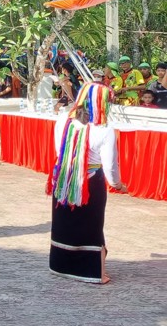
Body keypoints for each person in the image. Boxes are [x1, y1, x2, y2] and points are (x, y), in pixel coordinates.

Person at [47, 83, 125, 284]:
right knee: (91, 226)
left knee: (65, 223)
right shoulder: (104, 130)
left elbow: (59, 150)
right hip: (90, 183)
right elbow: (110, 166)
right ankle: (92, 272)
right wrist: (117, 184)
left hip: (64, 177)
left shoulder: (64, 119)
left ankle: (60, 265)